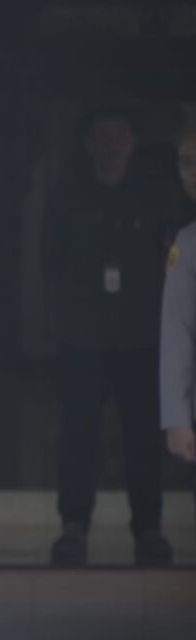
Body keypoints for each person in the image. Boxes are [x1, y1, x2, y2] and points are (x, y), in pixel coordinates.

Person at [44, 107, 172, 567]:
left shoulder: (153, 200)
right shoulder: (68, 200)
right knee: (79, 436)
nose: (111, 144)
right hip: (83, 336)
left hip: (142, 337)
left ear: (133, 142)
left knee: (143, 436)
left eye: (120, 134)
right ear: (87, 142)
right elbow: (50, 265)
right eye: (102, 135)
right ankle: (73, 529)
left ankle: (150, 531)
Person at [159, 126, 196, 470]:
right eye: (185, 162)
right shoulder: (185, 246)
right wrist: (177, 417)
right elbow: (176, 336)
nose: (192, 172)